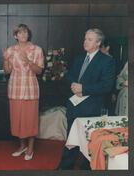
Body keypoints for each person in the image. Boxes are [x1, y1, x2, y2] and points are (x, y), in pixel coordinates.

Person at [56, 29, 115, 170]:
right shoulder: (79, 58)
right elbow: (69, 76)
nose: (85, 42)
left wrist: (84, 88)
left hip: (92, 109)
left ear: (98, 43)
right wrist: (73, 85)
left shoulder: (107, 61)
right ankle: (64, 168)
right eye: (85, 39)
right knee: (71, 142)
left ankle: (87, 168)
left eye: (89, 39)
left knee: (91, 145)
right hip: (74, 107)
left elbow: (107, 86)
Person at [3, 24, 44, 160]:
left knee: (30, 120)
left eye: (26, 32)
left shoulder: (37, 49)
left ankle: (30, 148)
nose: (24, 35)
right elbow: (7, 71)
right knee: (17, 119)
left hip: (30, 88)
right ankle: (22, 146)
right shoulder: (11, 50)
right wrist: (5, 59)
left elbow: (39, 71)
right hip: (15, 88)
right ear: (15, 36)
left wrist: (28, 61)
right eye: (20, 33)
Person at [100, 39, 123, 115]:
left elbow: (118, 78)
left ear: (107, 48)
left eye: (101, 47)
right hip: (100, 92)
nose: (99, 49)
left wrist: (114, 93)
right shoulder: (99, 61)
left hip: (111, 93)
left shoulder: (116, 62)